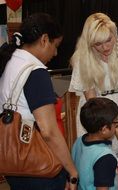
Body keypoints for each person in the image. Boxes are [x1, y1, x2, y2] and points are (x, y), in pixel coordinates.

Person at [0, 13, 78, 190]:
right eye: (55, 46)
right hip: (37, 166)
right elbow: (48, 131)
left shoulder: (10, 60)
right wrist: (72, 171)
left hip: (12, 159)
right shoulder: (36, 71)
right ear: (44, 39)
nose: (55, 53)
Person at [69, 12, 118, 153]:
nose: (105, 47)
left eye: (109, 40)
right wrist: (114, 127)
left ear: (114, 34)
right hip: (94, 112)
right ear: (90, 43)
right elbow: (93, 100)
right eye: (98, 44)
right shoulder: (82, 57)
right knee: (96, 155)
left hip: (117, 106)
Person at [72, 97, 118, 190]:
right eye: (115, 122)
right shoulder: (106, 157)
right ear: (104, 129)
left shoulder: (78, 141)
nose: (117, 125)